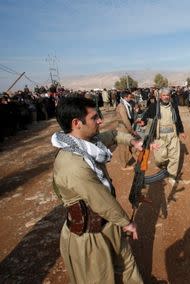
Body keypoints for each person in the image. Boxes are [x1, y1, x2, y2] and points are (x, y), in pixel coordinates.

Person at [51, 96, 144, 283]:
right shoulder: (72, 164)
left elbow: (113, 135)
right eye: (94, 118)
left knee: (127, 266)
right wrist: (126, 223)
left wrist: (133, 142)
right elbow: (101, 201)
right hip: (88, 235)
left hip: (108, 224)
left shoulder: (89, 143)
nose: (100, 120)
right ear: (77, 123)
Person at [142, 87, 186, 185]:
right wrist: (142, 121)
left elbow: (178, 118)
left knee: (174, 157)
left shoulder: (173, 105)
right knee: (159, 158)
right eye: (164, 95)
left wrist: (181, 131)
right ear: (160, 96)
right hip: (160, 136)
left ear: (170, 96)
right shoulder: (154, 106)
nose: (166, 97)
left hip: (173, 134)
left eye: (167, 95)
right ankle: (165, 165)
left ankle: (172, 176)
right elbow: (146, 117)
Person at [116, 90, 136, 170]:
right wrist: (131, 130)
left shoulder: (127, 104)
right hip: (123, 128)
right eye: (129, 97)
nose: (131, 99)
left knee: (131, 145)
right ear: (125, 97)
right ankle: (124, 166)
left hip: (126, 127)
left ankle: (137, 159)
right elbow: (125, 120)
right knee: (123, 148)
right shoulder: (121, 106)